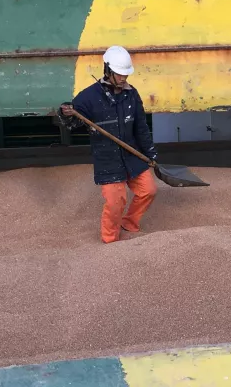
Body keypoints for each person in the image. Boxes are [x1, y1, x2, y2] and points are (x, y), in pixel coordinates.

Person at [57, 46, 158, 243]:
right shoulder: (89, 97)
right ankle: (110, 240)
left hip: (132, 155)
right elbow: (72, 122)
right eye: (120, 74)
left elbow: (141, 127)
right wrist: (65, 112)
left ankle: (129, 223)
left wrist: (150, 153)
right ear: (108, 71)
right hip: (107, 158)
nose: (123, 78)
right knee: (115, 202)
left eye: (126, 74)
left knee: (149, 190)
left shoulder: (131, 95)